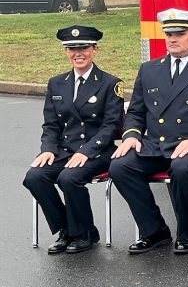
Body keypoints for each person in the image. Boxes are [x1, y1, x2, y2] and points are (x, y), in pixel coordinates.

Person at [109, 10, 188, 255]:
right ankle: (154, 231)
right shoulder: (149, 69)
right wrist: (132, 136)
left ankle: (186, 233)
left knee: (182, 169)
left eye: (180, 34)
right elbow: (136, 111)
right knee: (120, 167)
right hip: (155, 143)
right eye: (169, 34)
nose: (172, 39)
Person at [24, 25, 123, 254]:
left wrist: (86, 151)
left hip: (98, 152)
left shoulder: (110, 83)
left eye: (83, 48)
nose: (77, 53)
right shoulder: (56, 83)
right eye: (71, 48)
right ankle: (67, 229)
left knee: (69, 178)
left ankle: (84, 233)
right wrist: (48, 149)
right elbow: (51, 124)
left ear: (95, 50)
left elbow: (111, 127)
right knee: (35, 177)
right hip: (65, 151)